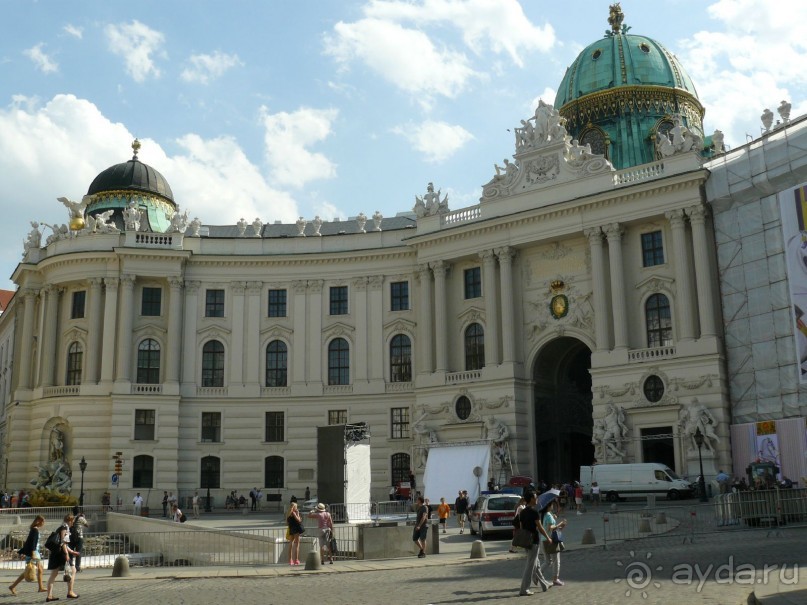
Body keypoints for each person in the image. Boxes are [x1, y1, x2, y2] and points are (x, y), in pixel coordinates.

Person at [519, 491, 552, 596]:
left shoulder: (523, 512)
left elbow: (521, 527)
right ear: (531, 499)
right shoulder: (534, 512)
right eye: (535, 497)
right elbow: (540, 527)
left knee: (536, 565)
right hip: (534, 541)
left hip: (525, 540)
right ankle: (524, 589)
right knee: (530, 565)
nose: (537, 498)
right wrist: (548, 537)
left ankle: (544, 584)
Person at [9, 514, 46, 595]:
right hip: (34, 552)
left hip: (34, 552)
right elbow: (32, 542)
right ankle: (40, 587)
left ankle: (13, 586)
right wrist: (33, 553)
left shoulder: (34, 529)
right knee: (37, 569)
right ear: (39, 521)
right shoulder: (35, 530)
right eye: (43, 522)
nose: (43, 523)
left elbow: (29, 542)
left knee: (36, 569)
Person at [45, 523, 79, 602]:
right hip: (61, 554)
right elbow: (63, 542)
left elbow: (63, 543)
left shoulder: (62, 527)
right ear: (70, 521)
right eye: (72, 521)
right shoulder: (64, 528)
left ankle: (49, 595)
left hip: (56, 553)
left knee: (54, 574)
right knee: (73, 570)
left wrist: (72, 551)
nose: (73, 523)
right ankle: (70, 592)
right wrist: (67, 554)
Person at [541, 499, 567, 586]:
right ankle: (555, 579)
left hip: (543, 540)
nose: (553, 506)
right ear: (549, 506)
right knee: (556, 561)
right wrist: (561, 524)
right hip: (551, 540)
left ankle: (537, 575)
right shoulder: (548, 516)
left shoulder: (544, 514)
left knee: (547, 561)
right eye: (552, 505)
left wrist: (555, 516)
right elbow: (551, 528)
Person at [70, 507, 88, 573]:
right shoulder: (81, 518)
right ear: (79, 512)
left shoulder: (71, 518)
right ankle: (77, 567)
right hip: (79, 537)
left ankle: (70, 566)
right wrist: (83, 517)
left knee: (71, 552)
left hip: (71, 537)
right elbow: (87, 525)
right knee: (78, 552)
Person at [286, 502, 304, 566]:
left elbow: (287, 523)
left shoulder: (288, 513)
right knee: (297, 544)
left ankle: (290, 560)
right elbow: (298, 520)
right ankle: (296, 560)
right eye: (296, 507)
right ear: (294, 507)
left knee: (291, 543)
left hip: (291, 529)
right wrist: (298, 514)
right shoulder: (294, 513)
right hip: (296, 529)